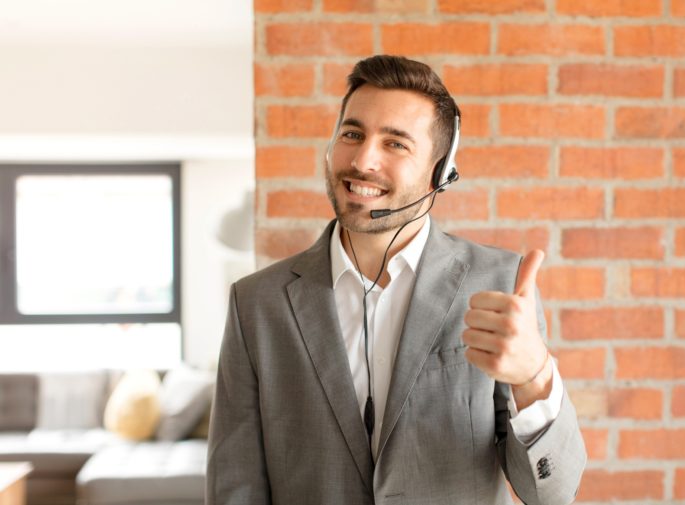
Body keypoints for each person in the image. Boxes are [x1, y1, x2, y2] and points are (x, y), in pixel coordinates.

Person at [207, 55, 586, 505]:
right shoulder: (256, 303)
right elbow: (235, 488)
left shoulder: (500, 282)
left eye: (395, 144)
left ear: (439, 172)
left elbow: (553, 493)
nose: (364, 160)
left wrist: (533, 377)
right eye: (352, 134)